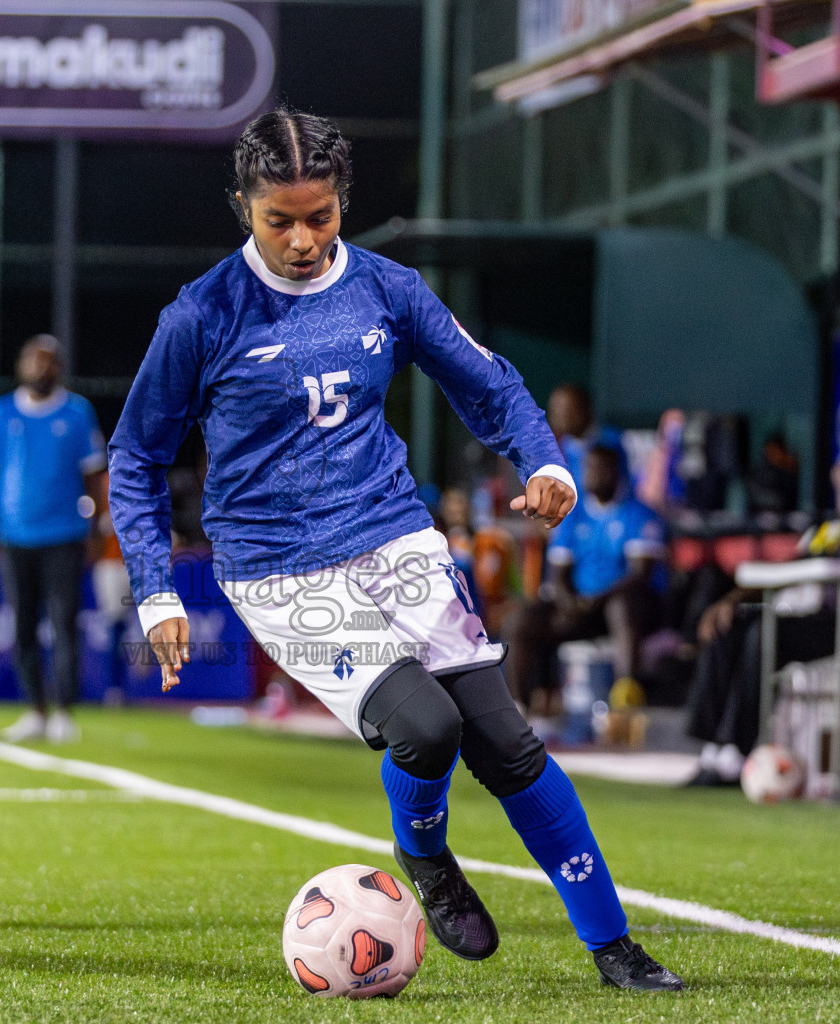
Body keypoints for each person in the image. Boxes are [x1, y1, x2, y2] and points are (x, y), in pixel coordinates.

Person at [108, 109, 683, 992]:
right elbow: (136, 457)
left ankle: (615, 949)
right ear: (243, 207)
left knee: (506, 743)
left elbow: (489, 383)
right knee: (426, 727)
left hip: (393, 534)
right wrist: (157, 591)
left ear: (343, 201)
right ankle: (426, 855)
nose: (303, 240)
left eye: (321, 216)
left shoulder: (388, 288)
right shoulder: (202, 314)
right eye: (279, 220)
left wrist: (543, 462)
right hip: (278, 567)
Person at [682, 412, 840, 786]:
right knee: (735, 622)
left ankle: (737, 751)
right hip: (829, 620)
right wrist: (735, 598)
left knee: (765, 633)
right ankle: (713, 746)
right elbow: (805, 559)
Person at [0, 335, 107, 745]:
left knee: (64, 623)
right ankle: (35, 710)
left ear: (60, 368)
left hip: (64, 535)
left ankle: (64, 712)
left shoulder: (77, 413)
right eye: (35, 360)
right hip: (13, 537)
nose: (42, 368)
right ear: (21, 365)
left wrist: (98, 530)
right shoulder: (1, 412)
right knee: (22, 626)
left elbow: (94, 478)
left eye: (50, 361)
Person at [513, 445, 667, 715]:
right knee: (521, 620)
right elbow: (559, 573)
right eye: (589, 468)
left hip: (628, 609)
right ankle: (518, 706)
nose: (592, 475)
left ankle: (625, 699)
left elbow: (640, 575)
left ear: (617, 472)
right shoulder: (573, 515)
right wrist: (571, 603)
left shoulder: (639, 515)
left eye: (600, 469)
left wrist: (597, 600)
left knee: (622, 606)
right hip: (582, 606)